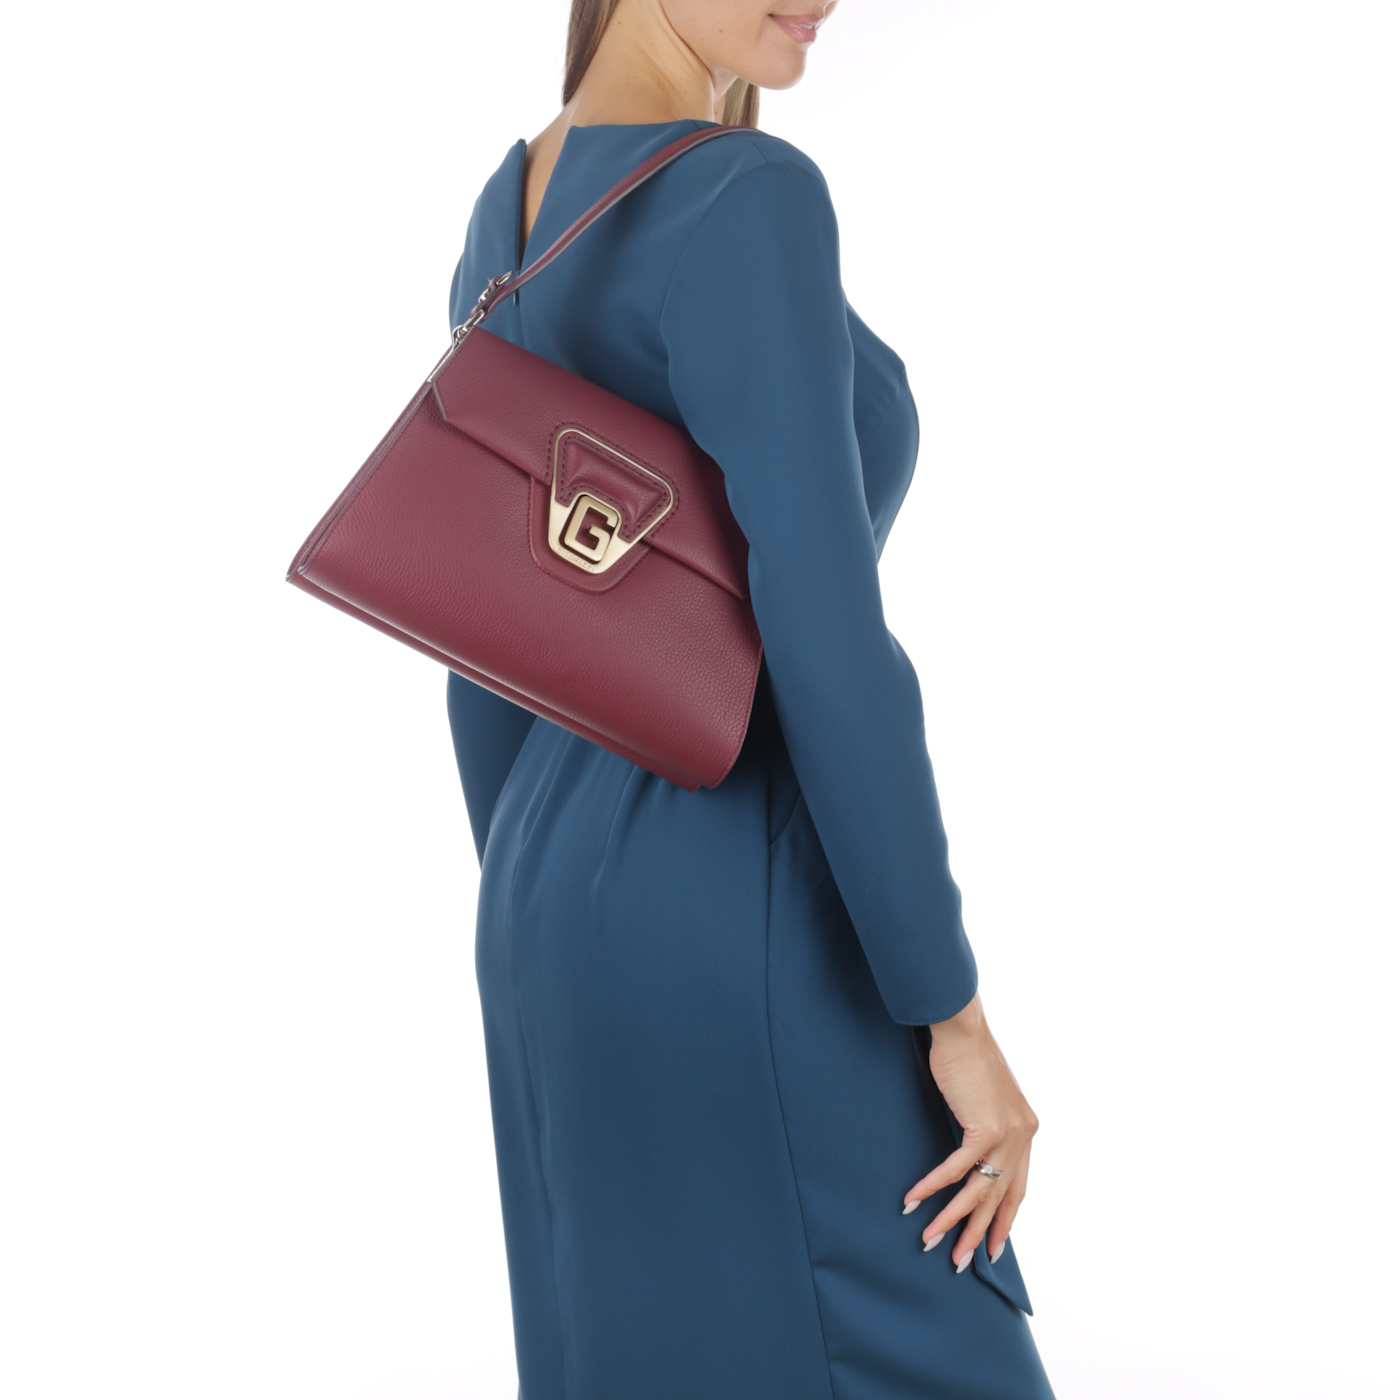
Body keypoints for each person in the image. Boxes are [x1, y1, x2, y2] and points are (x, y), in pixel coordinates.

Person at [445, 2, 1054, 1395]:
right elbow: (829, 646)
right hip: (743, 901)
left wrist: (563, 909)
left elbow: (484, 649)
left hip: (541, 917)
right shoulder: (748, 198)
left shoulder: (509, 212)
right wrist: (951, 1015)